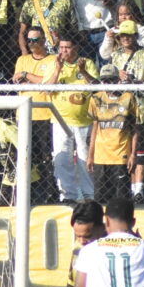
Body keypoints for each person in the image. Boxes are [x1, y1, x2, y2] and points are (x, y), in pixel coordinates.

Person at [46, 32, 99, 203]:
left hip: (84, 120)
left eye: (67, 48)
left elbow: (96, 88)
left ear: (75, 48)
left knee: (85, 159)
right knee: (63, 160)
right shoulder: (54, 64)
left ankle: (89, 195)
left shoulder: (87, 63)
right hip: (61, 120)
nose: (63, 51)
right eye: (61, 47)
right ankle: (68, 195)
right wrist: (58, 69)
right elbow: (47, 90)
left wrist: (82, 71)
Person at [88, 71, 139, 208]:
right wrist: (90, 155)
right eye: (105, 81)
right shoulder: (96, 99)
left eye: (111, 80)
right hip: (101, 156)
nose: (108, 84)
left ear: (118, 80)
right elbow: (94, 129)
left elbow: (135, 130)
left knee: (121, 201)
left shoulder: (128, 98)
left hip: (120, 156)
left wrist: (133, 155)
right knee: (100, 200)